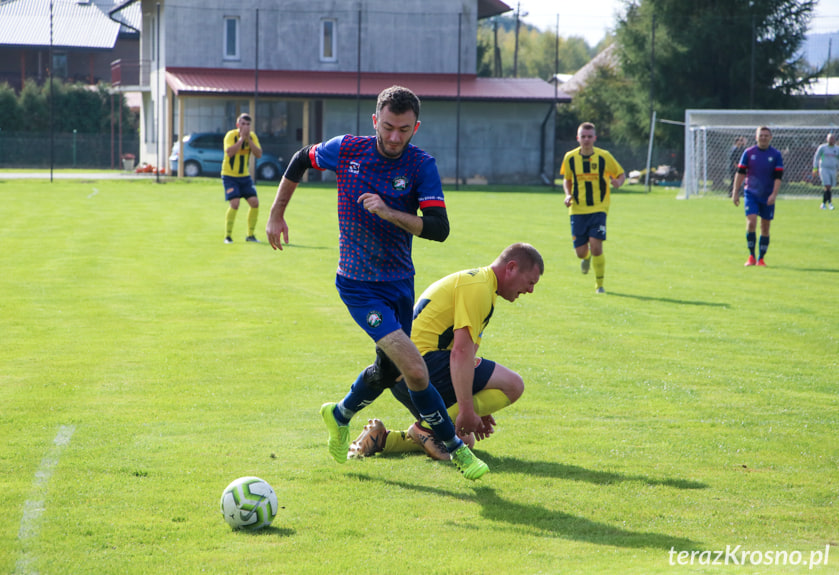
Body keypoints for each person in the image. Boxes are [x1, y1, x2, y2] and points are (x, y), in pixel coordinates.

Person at [265, 85, 488, 480]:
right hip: (357, 284)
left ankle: (339, 414)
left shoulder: (421, 166)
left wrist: (389, 213)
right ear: (375, 122)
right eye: (387, 127)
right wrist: (276, 214)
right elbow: (300, 159)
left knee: (387, 372)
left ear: (415, 127)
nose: (394, 137)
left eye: (404, 129)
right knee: (416, 370)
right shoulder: (347, 149)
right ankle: (455, 450)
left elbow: (438, 229)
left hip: (400, 283)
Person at [347, 243, 544, 461]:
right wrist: (468, 409)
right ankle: (426, 430)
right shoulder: (479, 287)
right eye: (530, 282)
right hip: (420, 366)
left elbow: (463, 352)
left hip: (402, 374)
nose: (530, 290)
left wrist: (477, 405)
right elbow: (461, 353)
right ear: (512, 267)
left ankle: (383, 439)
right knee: (514, 385)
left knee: (465, 440)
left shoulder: (479, 283)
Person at [560, 122, 625, 294]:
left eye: (590, 136)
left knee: (597, 246)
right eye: (583, 136)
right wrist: (567, 194)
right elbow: (567, 179)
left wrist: (618, 182)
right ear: (578, 138)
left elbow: (621, 173)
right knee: (581, 252)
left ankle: (599, 285)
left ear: (595, 138)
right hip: (577, 210)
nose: (586, 139)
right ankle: (586, 258)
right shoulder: (570, 158)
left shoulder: (604, 156)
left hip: (599, 209)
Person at [732, 126, 784, 267]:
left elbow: (778, 177)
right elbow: (741, 172)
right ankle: (751, 256)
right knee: (751, 223)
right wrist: (735, 191)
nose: (763, 137)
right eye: (761, 135)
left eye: (766, 135)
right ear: (756, 137)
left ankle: (761, 258)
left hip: (767, 195)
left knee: (765, 227)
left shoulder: (776, 154)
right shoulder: (748, 153)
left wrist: (774, 194)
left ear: (770, 138)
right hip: (751, 194)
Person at [222, 113, 263, 244]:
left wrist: (248, 140)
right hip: (229, 176)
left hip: (244, 177)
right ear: (237, 125)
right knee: (235, 203)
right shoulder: (230, 135)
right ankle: (228, 236)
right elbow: (229, 152)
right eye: (243, 124)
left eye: (248, 124)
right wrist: (241, 140)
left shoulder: (252, 137)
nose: (245, 126)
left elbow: (258, 154)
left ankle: (250, 235)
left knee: (255, 203)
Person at [812, 133, 838, 210]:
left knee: (829, 187)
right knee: (827, 185)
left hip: (833, 169)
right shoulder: (822, 148)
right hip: (824, 169)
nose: (831, 140)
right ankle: (830, 203)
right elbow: (816, 157)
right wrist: (815, 168)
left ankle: (823, 204)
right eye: (830, 138)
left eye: (833, 138)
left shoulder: (837, 149)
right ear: (827, 139)